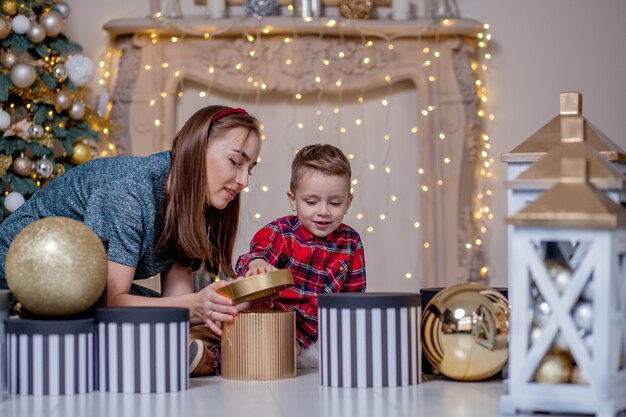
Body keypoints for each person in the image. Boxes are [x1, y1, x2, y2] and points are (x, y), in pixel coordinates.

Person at [0, 105, 263, 376]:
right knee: (149, 320)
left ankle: (182, 353)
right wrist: (196, 306)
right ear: (195, 149)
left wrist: (219, 305)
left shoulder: (192, 203)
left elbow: (180, 300)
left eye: (250, 170)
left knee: (209, 317)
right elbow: (109, 302)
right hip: (20, 280)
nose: (243, 180)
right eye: (235, 162)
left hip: (79, 289)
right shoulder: (128, 194)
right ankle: (174, 354)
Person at [235, 144, 366, 364]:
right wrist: (257, 263)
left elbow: (355, 297)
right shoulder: (282, 233)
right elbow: (256, 254)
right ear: (293, 200)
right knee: (270, 349)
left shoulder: (351, 242)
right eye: (311, 202)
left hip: (319, 331)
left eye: (335, 203)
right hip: (277, 322)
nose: (323, 211)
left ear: (348, 202)